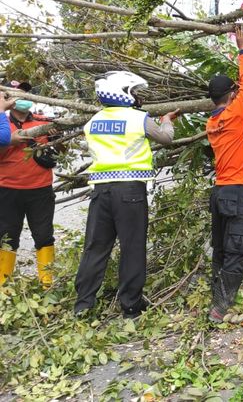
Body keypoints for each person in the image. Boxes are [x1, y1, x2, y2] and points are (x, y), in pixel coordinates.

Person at [74, 71, 179, 318]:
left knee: (96, 248)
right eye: (133, 92)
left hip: (101, 191)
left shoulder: (92, 122)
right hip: (130, 191)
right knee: (132, 247)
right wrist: (166, 120)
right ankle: (131, 306)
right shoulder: (137, 119)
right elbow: (166, 138)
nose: (136, 97)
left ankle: (83, 305)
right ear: (123, 93)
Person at [205, 26, 243, 323]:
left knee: (222, 249)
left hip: (220, 192)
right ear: (231, 94)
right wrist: (242, 46)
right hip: (236, 193)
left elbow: (237, 108)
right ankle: (221, 307)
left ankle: (217, 296)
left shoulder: (212, 122)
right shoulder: (235, 113)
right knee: (236, 249)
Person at [0, 84, 58, 287]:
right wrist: (9, 141)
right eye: (17, 93)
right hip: (8, 190)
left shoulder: (45, 122)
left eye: (26, 93)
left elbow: (60, 150)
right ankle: (3, 285)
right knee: (6, 237)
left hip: (41, 189)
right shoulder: (2, 124)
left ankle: (47, 284)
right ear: (8, 97)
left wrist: (57, 139)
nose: (23, 97)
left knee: (44, 236)